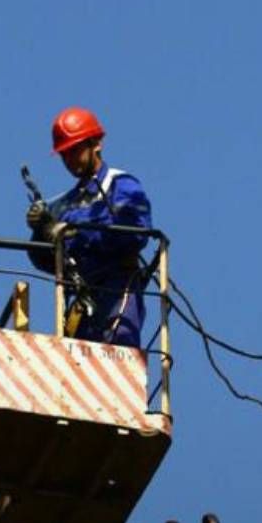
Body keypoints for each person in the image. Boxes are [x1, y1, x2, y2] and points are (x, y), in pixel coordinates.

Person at [26, 106, 154, 347]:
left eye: (74, 150)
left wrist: (73, 231)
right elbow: (43, 260)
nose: (69, 159)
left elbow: (135, 232)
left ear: (96, 143)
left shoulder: (120, 184)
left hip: (117, 287)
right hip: (80, 300)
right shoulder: (64, 203)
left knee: (117, 350)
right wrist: (40, 230)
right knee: (76, 366)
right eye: (64, 154)